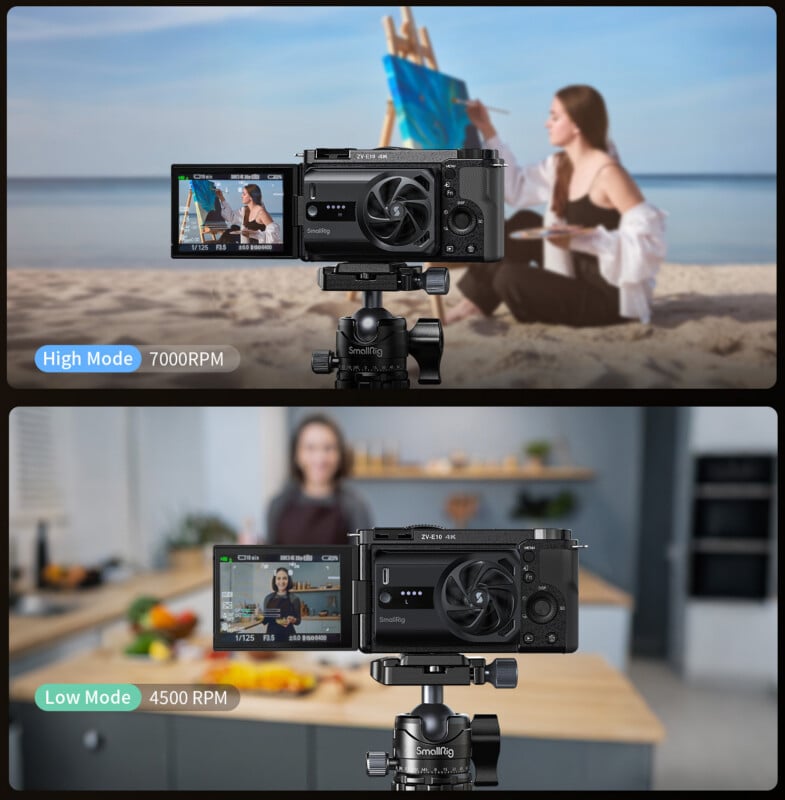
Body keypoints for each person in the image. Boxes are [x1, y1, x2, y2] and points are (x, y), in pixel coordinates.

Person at [446, 85, 666, 326]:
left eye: (554, 116)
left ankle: (488, 299)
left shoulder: (608, 172)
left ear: (577, 124)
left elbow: (648, 242)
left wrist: (580, 240)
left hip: (606, 295)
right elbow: (515, 189)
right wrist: (487, 130)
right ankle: (475, 303)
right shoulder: (561, 165)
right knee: (523, 222)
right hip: (572, 268)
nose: (546, 124)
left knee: (509, 278)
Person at [266, 414, 372, 546]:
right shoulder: (278, 505)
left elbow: (362, 562)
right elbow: (270, 561)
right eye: (310, 448)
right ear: (297, 455)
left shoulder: (355, 506)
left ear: (339, 455)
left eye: (328, 448)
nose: (320, 458)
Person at [215, 184, 282, 245]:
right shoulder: (245, 210)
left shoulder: (261, 212)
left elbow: (274, 237)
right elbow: (231, 217)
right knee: (232, 229)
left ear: (251, 197)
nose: (241, 196)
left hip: (257, 248)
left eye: (244, 194)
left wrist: (254, 234)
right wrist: (221, 198)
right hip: (246, 243)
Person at [261, 568, 301, 641]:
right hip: (271, 636)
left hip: (288, 635)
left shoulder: (294, 598)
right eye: (278, 578)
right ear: (275, 581)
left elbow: (298, 621)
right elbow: (265, 620)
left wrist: (293, 619)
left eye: (284, 578)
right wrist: (258, 615)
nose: (281, 581)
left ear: (288, 580)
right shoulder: (268, 598)